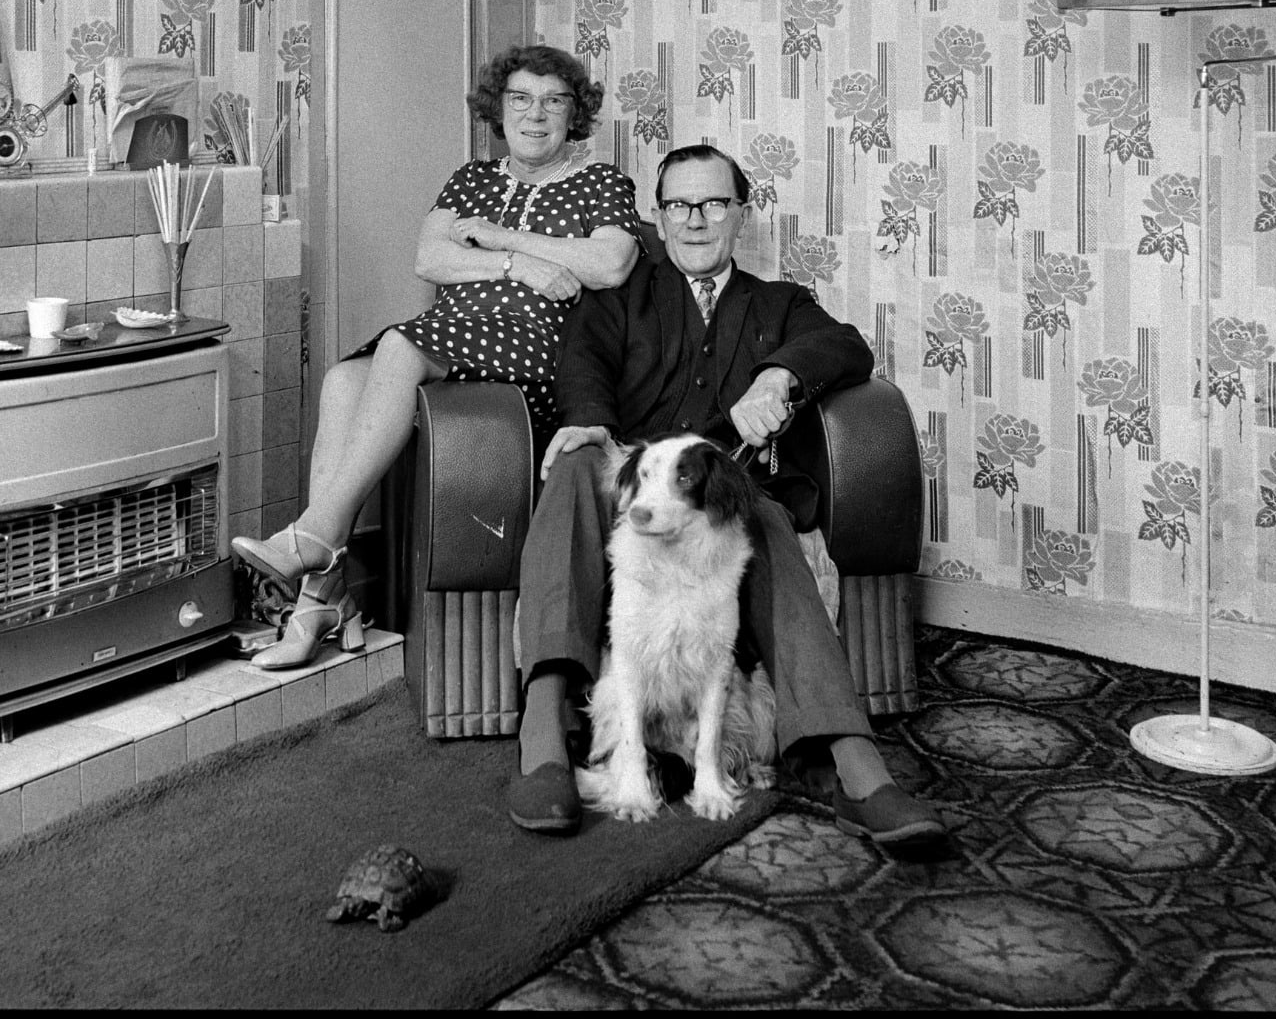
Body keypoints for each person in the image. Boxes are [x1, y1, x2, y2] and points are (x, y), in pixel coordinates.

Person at [505, 144, 949, 849]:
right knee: (572, 465)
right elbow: (582, 363)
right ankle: (544, 737)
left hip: (722, 490)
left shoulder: (779, 304)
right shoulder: (620, 299)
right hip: (633, 476)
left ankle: (857, 770)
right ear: (659, 215)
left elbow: (846, 347)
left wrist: (777, 380)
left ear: (742, 212)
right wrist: (590, 421)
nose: (695, 219)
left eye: (713, 202)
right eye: (678, 204)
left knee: (764, 518)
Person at [231, 45, 643, 670]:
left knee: (400, 342)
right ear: (497, 110)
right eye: (520, 100)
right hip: (451, 334)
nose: (536, 116)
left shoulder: (601, 183)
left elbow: (610, 263)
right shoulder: (470, 179)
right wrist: (524, 264)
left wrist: (500, 237)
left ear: (573, 115)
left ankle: (315, 539)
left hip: (532, 345)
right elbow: (431, 258)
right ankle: (323, 598)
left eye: (554, 102)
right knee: (343, 380)